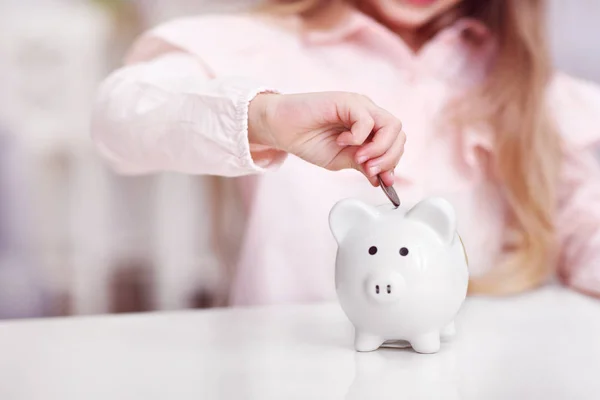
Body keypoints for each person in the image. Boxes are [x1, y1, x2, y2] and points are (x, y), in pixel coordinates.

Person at [91, 0, 600, 306]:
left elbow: (589, 231)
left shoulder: (533, 90)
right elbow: (118, 119)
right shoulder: (258, 47)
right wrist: (264, 117)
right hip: (293, 377)